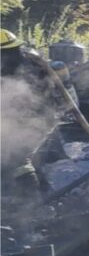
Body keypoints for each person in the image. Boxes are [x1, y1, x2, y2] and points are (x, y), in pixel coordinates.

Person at [1, 29, 56, 200]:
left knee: (15, 160)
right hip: (33, 119)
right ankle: (47, 196)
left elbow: (21, 102)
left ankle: (30, 204)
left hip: (32, 122)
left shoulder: (24, 70)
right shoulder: (25, 62)